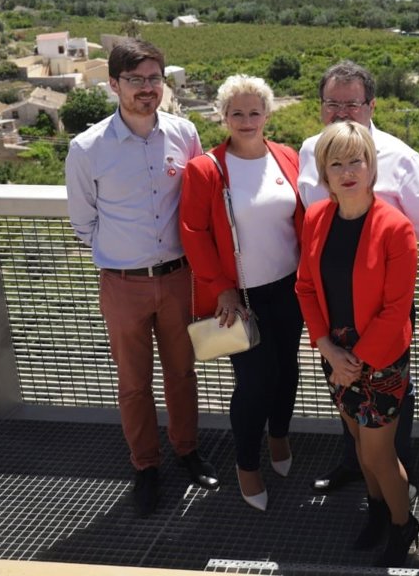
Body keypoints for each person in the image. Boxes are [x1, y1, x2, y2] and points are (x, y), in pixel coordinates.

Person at [65, 39, 218, 518]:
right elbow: (82, 222)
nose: (147, 88)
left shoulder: (184, 133)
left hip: (178, 278)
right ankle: (145, 466)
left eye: (154, 78)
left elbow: (199, 201)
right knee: (133, 383)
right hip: (122, 284)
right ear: (114, 84)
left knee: (182, 372)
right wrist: (122, 256)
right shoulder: (87, 148)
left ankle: (187, 451)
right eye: (136, 80)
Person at [297, 60, 419, 495]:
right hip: (334, 301)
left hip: (385, 306)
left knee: (393, 392)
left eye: (351, 104)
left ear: (372, 105)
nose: (341, 113)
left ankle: (397, 472)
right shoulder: (309, 150)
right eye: (332, 104)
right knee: (344, 391)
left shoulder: (402, 158)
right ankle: (354, 465)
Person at [296, 121, 419, 567]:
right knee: (358, 442)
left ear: (371, 166)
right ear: (323, 173)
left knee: (379, 454)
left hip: (381, 360)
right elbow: (305, 287)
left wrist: (356, 361)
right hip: (336, 356)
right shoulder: (316, 218)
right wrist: (328, 350)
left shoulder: (396, 228)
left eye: (356, 161)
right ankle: (378, 509)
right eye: (336, 164)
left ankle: (403, 524)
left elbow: (396, 309)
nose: (348, 172)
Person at [179, 75, 305, 512]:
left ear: (267, 114)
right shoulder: (206, 169)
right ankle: (247, 464)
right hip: (241, 298)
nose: (247, 120)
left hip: (289, 289)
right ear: (223, 116)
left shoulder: (286, 156)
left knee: (287, 371)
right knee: (254, 383)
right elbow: (193, 233)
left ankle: (279, 436)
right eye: (237, 113)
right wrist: (222, 289)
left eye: (255, 112)